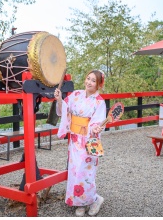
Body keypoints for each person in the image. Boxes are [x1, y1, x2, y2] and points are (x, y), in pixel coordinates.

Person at [55, 70, 107, 216]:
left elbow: (98, 121)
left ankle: (94, 200)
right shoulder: (76, 95)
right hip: (75, 139)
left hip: (89, 140)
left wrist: (96, 127)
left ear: (98, 85)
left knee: (86, 172)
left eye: (93, 81)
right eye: (88, 78)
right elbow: (64, 110)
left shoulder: (99, 102)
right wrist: (59, 99)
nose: (89, 82)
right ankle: (82, 204)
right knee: (74, 171)